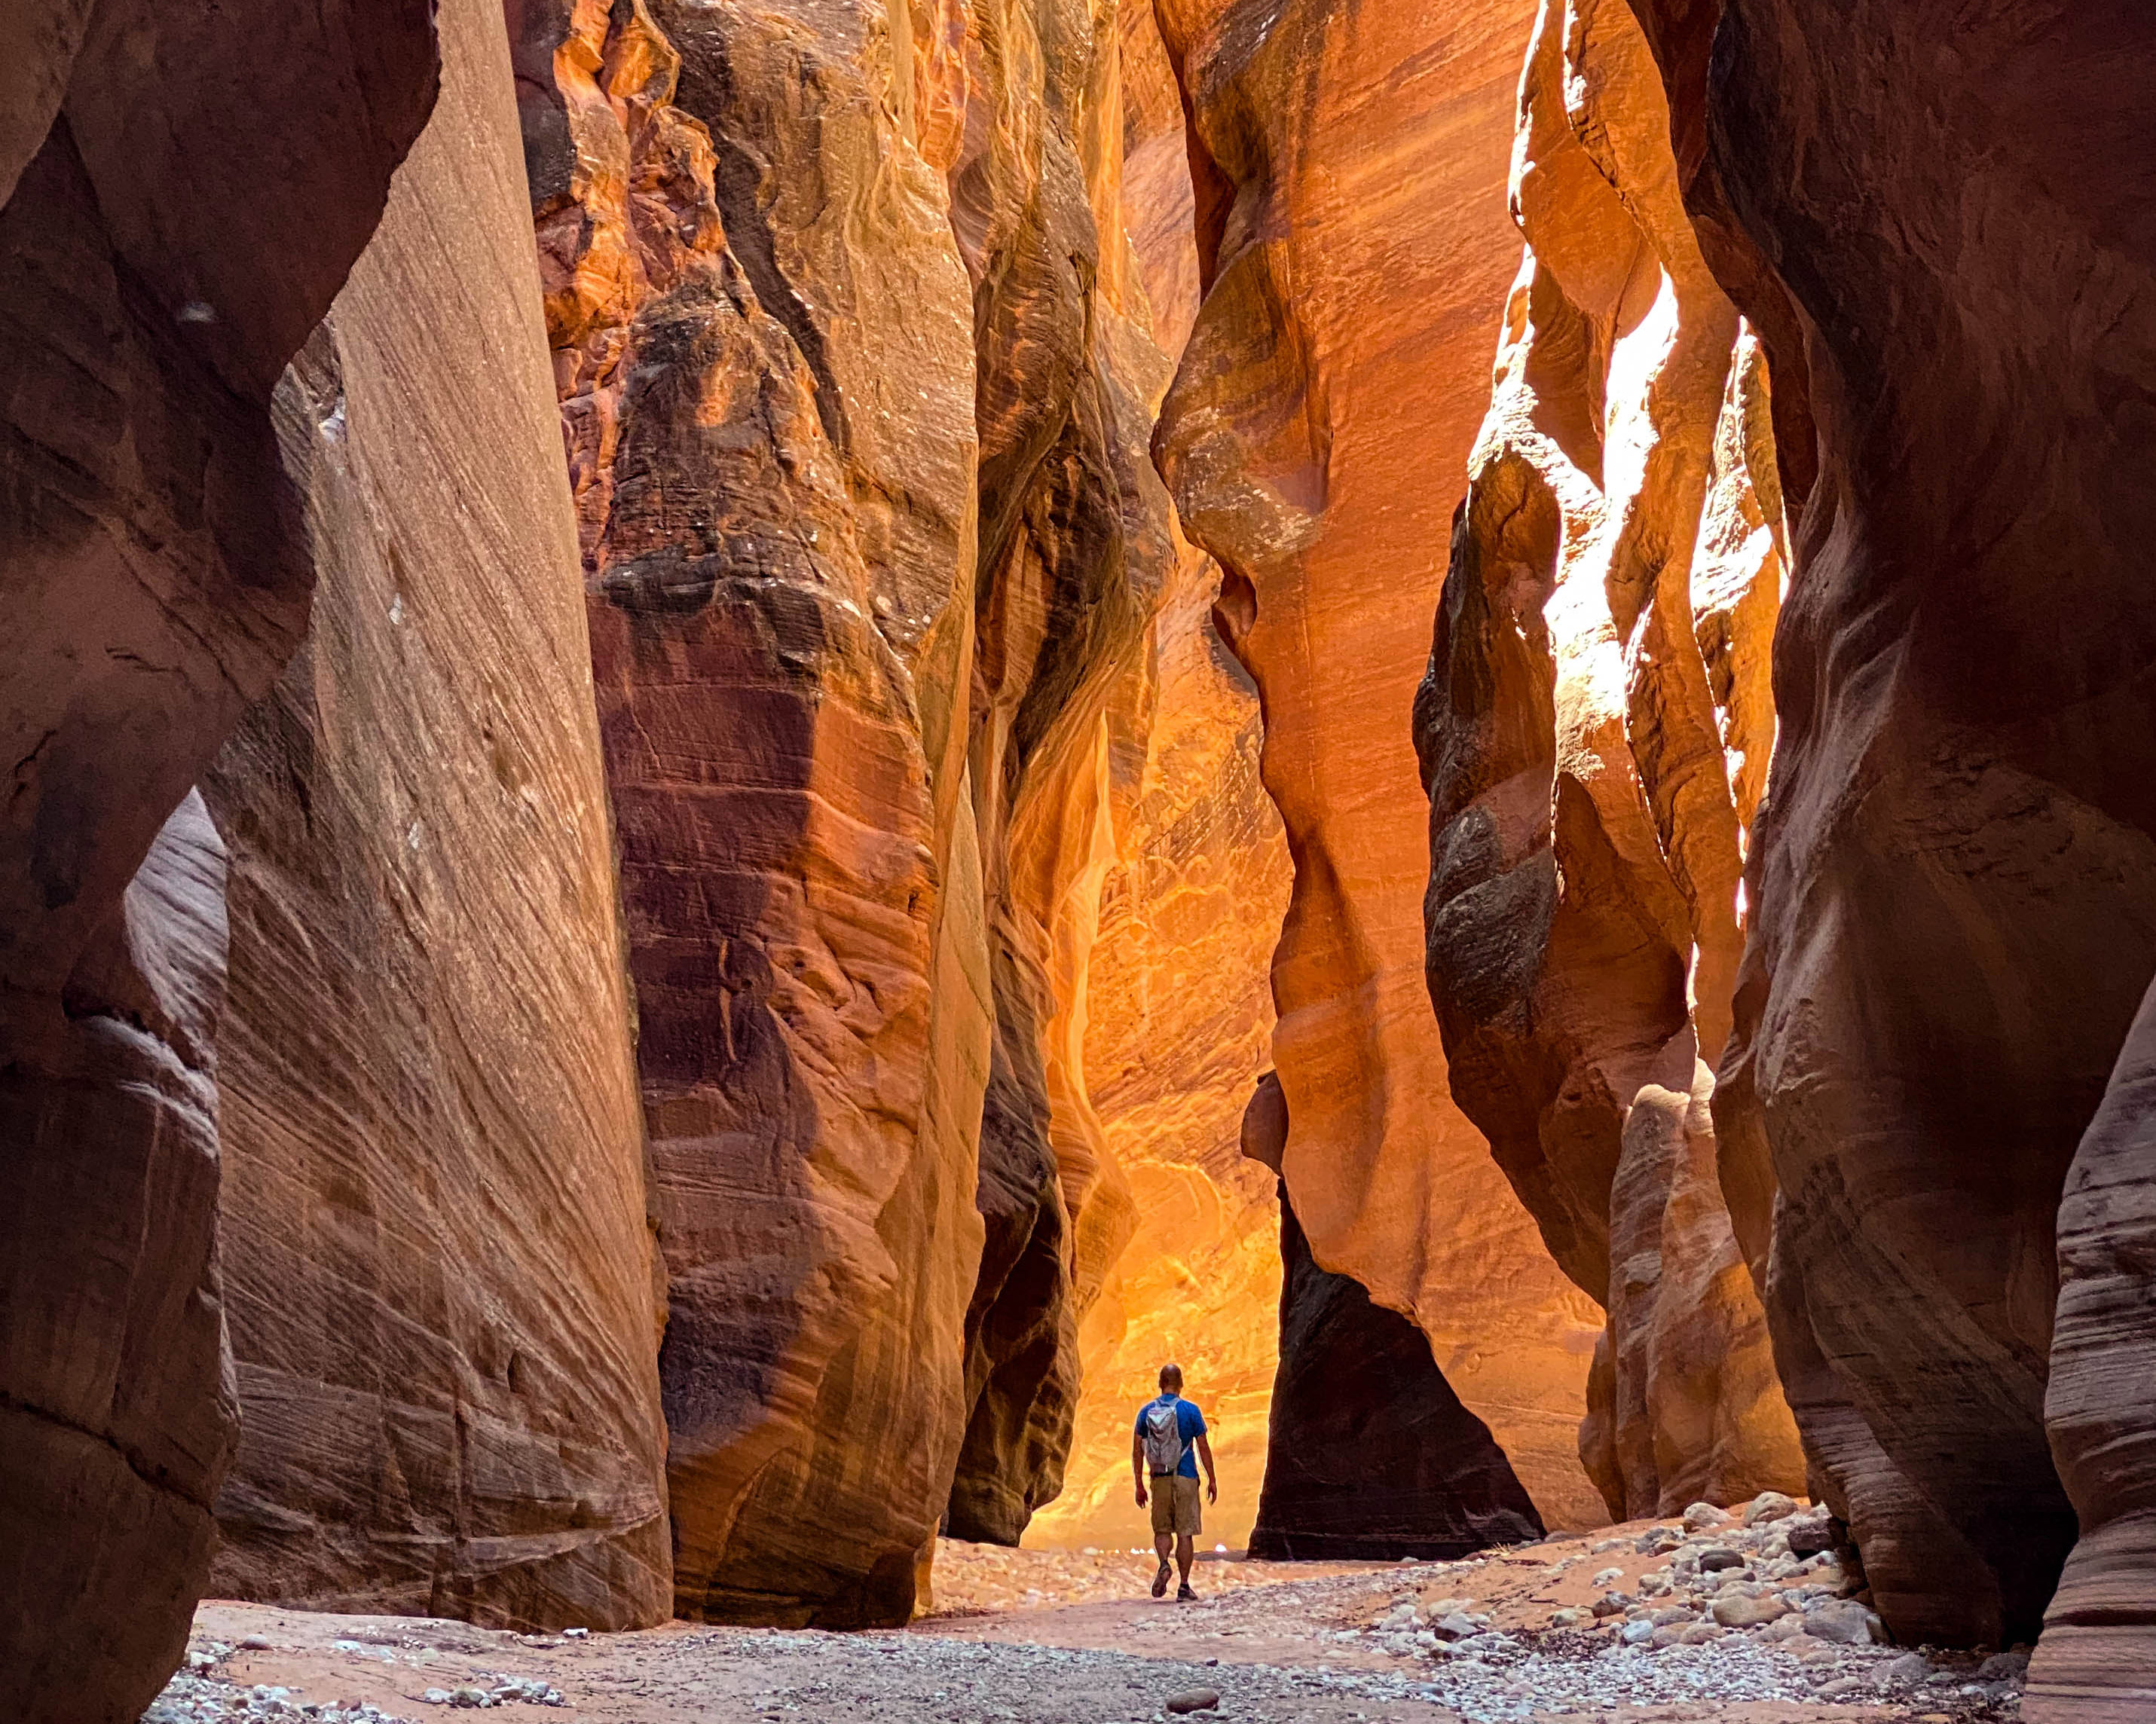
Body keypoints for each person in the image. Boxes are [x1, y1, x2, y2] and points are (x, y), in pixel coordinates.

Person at [1132, 1362, 1217, 1600]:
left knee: (1161, 1529)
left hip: (1159, 1478)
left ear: (1160, 1384)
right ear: (1181, 1384)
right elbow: (1202, 1446)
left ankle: (1163, 1564)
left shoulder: (1146, 1412)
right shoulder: (1190, 1411)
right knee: (1185, 1533)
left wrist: (1139, 1484)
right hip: (1186, 1476)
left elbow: (1137, 1451)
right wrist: (1211, 1478)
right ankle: (1184, 1585)